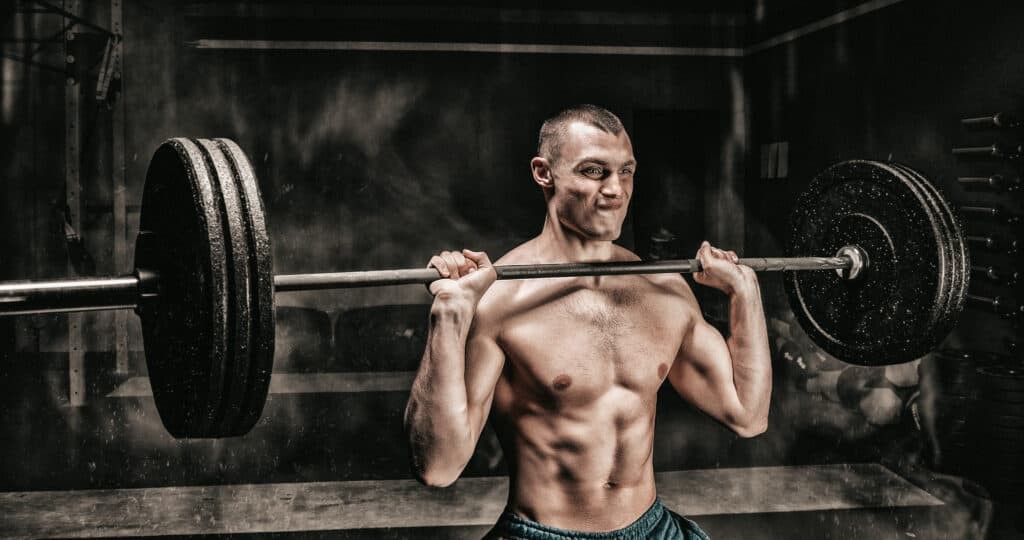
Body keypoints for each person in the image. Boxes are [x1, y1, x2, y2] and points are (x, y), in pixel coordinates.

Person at [404, 104, 771, 539]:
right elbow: (438, 467)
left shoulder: (664, 289)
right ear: (544, 173)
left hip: (651, 529)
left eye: (626, 171)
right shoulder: (501, 303)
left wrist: (744, 292)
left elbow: (748, 415)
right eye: (594, 171)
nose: (616, 189)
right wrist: (448, 316)